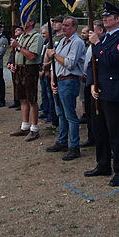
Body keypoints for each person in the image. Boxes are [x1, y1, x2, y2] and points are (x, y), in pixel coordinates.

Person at [85, 2, 119, 187]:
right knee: (100, 131)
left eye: (109, 16)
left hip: (114, 94)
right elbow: (92, 64)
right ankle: (103, 164)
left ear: (118, 19)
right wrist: (91, 84)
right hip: (99, 92)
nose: (104, 18)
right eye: (103, 16)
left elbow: (110, 60)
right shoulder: (103, 39)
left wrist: (96, 43)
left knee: (116, 133)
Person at [45, 16, 86, 161]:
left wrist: (54, 54)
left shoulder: (77, 42)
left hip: (70, 80)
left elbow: (70, 63)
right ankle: (62, 141)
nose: (63, 27)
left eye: (67, 25)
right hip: (59, 80)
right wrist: (52, 80)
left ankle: (74, 146)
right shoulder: (62, 41)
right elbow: (53, 63)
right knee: (60, 113)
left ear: (75, 27)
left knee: (70, 115)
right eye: (63, 25)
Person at [9, 17, 43, 141]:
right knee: (22, 98)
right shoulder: (22, 36)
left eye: (25, 20)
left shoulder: (36, 37)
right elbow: (17, 54)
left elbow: (32, 56)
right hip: (20, 69)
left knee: (31, 99)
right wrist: (13, 64)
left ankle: (34, 129)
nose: (22, 22)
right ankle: (25, 126)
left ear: (32, 22)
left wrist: (18, 46)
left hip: (30, 69)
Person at [81, 20, 104, 148]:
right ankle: (91, 137)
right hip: (87, 81)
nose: (89, 33)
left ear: (100, 31)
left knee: (97, 115)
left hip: (97, 83)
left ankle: (97, 137)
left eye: (92, 30)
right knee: (90, 113)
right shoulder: (90, 44)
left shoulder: (100, 44)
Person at [38, 25, 54, 124]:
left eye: (44, 33)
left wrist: (44, 70)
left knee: (49, 94)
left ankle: (51, 115)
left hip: (47, 71)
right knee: (44, 93)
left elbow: (51, 59)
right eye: (42, 33)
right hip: (42, 71)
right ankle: (45, 110)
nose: (42, 35)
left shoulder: (51, 43)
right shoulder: (44, 43)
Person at [6, 25, 24, 110]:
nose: (16, 31)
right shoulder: (14, 40)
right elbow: (12, 53)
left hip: (20, 65)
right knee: (15, 84)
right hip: (13, 65)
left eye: (18, 30)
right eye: (15, 30)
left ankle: (22, 102)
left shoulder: (22, 41)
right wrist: (9, 63)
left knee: (21, 85)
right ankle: (16, 101)